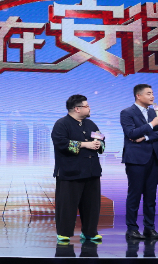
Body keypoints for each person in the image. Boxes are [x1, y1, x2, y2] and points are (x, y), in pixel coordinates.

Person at [52, 94, 105, 243]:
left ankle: (90, 232)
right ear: (77, 108)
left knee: (92, 205)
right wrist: (84, 144)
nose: (89, 108)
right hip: (70, 172)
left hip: (92, 170)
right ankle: (64, 233)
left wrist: (99, 144)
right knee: (67, 205)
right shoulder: (61, 124)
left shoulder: (91, 124)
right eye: (87, 106)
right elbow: (61, 143)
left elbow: (101, 139)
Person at [119, 84, 158, 240]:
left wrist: (146, 137)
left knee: (150, 195)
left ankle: (149, 228)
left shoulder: (155, 112)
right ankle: (132, 229)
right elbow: (131, 133)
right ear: (138, 96)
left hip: (153, 157)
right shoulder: (127, 112)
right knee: (134, 194)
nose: (152, 96)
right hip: (136, 159)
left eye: (153, 93)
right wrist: (152, 124)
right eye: (149, 93)